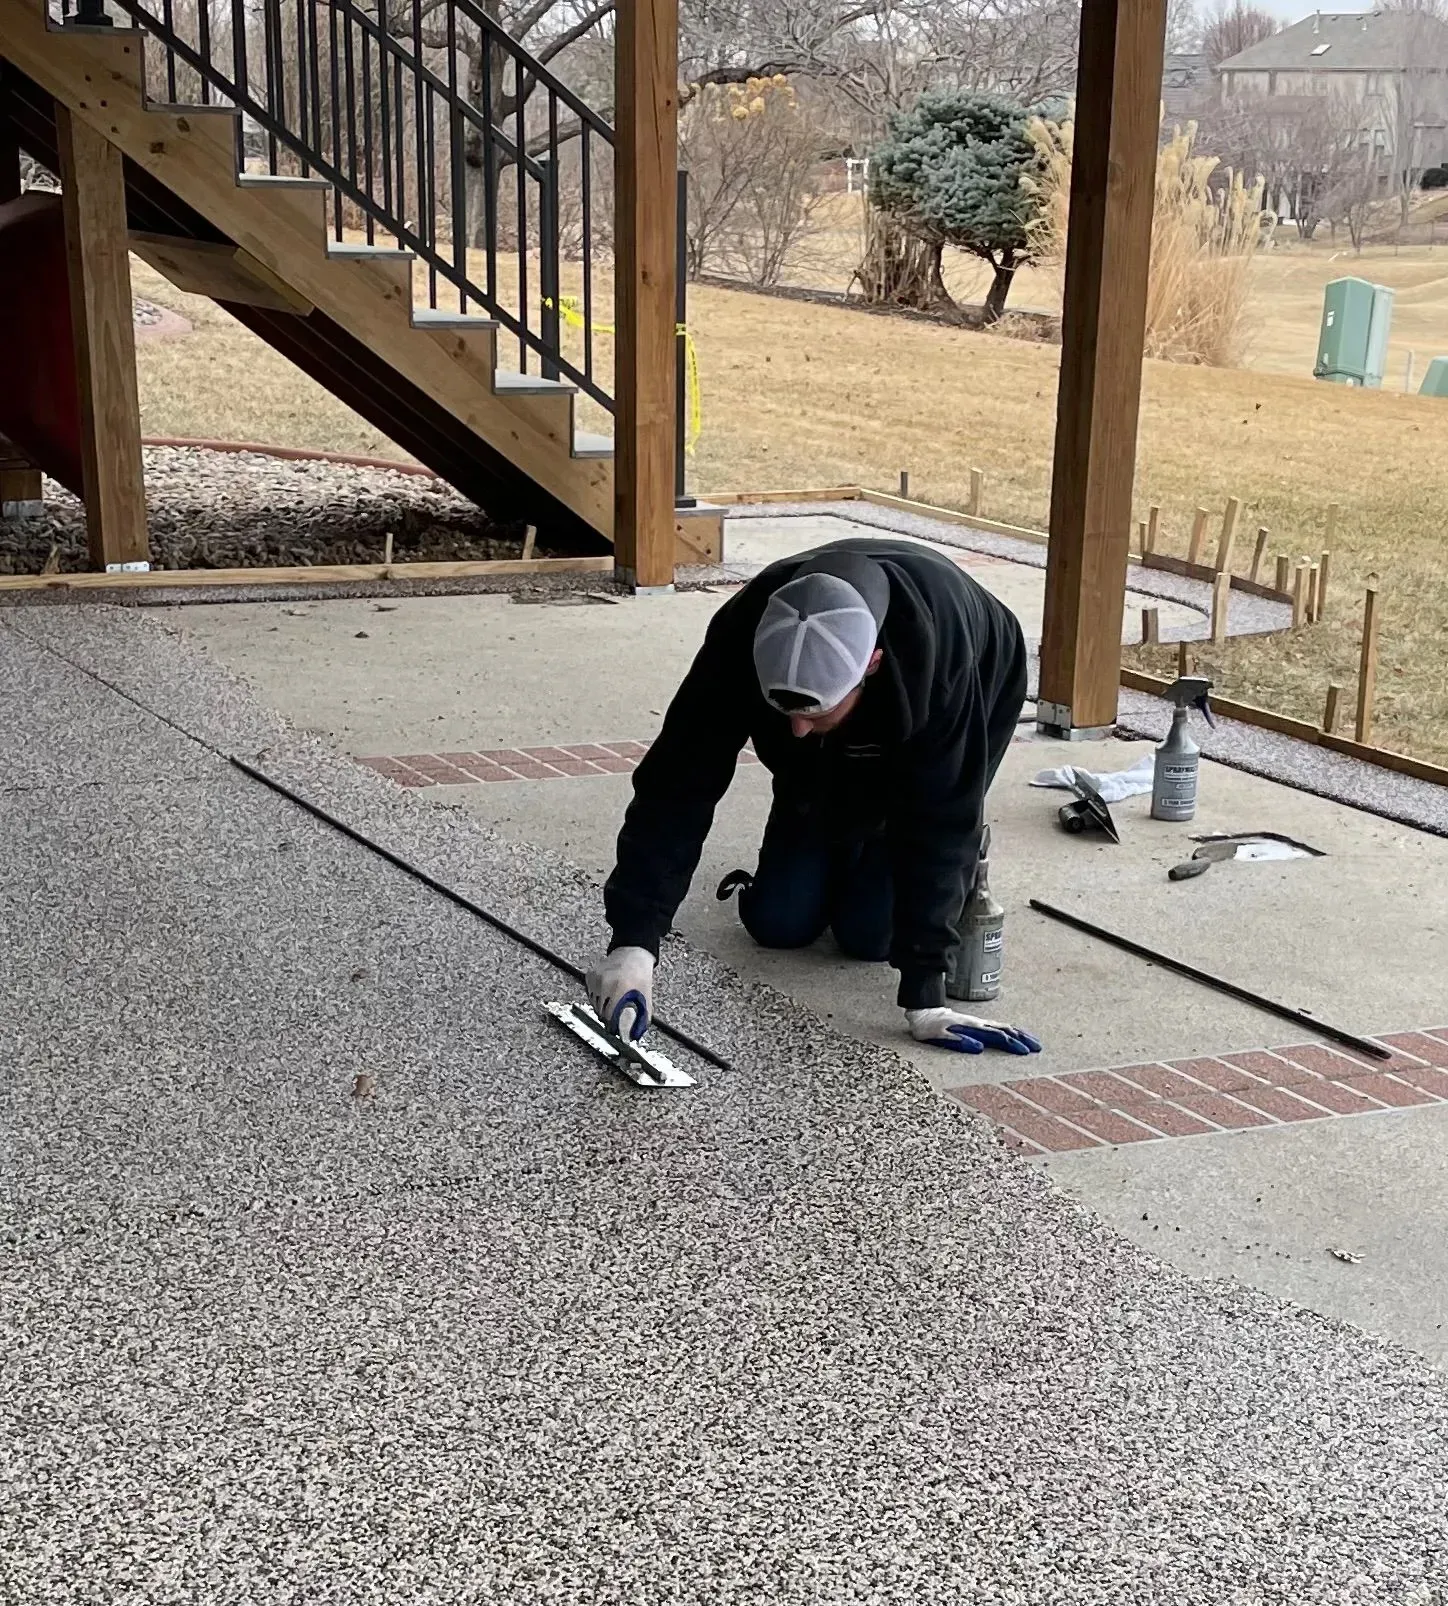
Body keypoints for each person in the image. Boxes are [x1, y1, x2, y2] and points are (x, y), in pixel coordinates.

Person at [586, 538, 1041, 1057]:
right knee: (779, 921)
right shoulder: (739, 638)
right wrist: (635, 941)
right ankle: (822, 823)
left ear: (871, 664)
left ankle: (881, 843)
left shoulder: (938, 663)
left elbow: (943, 817)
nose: (797, 731)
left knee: (870, 937)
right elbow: (677, 783)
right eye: (785, 712)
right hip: (842, 721)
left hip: (982, 667)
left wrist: (925, 996)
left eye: (815, 712)